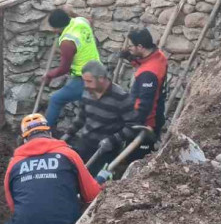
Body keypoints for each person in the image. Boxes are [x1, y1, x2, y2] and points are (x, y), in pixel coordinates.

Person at [60, 61, 139, 176]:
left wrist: (111, 140)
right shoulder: (87, 91)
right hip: (85, 143)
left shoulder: (121, 97)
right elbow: (82, 116)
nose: (85, 85)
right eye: (84, 81)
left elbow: (132, 126)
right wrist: (68, 134)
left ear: (101, 78)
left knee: (93, 181)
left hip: (104, 150)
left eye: (89, 81)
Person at [43, 9, 101, 128]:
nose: (54, 31)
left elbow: (63, 69)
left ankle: (44, 132)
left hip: (85, 79)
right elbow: (89, 20)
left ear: (58, 28)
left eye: (54, 28)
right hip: (98, 71)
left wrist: (49, 75)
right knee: (85, 106)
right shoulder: (81, 22)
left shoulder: (68, 42)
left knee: (56, 99)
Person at [123, 28, 168, 160]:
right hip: (156, 115)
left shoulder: (148, 74)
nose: (128, 48)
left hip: (145, 124)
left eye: (131, 46)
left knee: (135, 160)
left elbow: (144, 105)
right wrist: (132, 58)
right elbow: (146, 62)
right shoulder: (159, 56)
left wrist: (131, 126)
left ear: (140, 47)